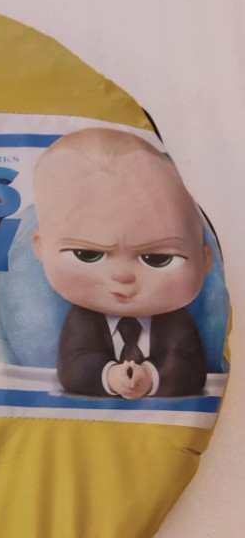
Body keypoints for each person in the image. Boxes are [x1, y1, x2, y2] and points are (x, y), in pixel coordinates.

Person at [31, 127, 212, 399]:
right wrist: (108, 376)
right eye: (87, 254)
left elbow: (190, 368)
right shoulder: (83, 320)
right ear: (41, 247)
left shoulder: (176, 320)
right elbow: (74, 367)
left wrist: (152, 377)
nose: (122, 275)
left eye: (158, 258)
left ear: (205, 259)